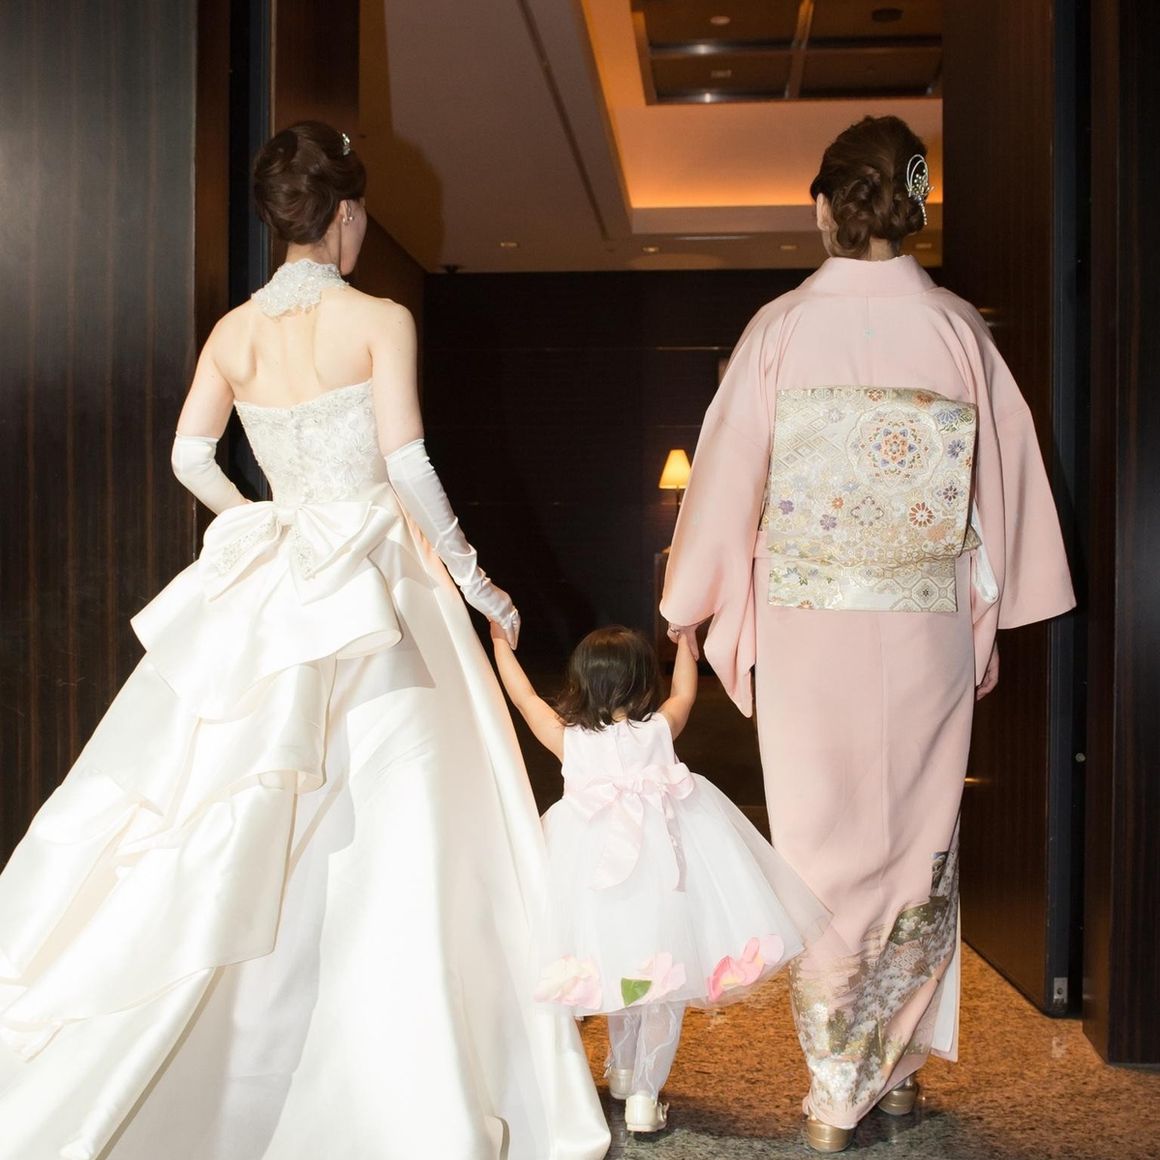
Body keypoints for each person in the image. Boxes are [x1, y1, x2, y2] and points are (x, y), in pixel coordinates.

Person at [0, 122, 609, 1160]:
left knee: (245, 805)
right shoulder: (379, 318)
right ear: (346, 213)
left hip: (285, 576)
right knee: (405, 817)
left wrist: (262, 520)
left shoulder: (234, 331)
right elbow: (406, 467)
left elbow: (190, 455)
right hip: (381, 578)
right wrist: (477, 583)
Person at [660, 115, 1075, 1153]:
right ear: (912, 206)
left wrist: (687, 605)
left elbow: (728, 478)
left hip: (811, 630)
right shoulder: (957, 330)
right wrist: (982, 606)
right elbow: (998, 497)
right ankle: (888, 1072)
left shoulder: (779, 329)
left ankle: (834, 1085)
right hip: (921, 623)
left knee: (822, 848)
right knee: (916, 844)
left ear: (822, 208)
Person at [489, 623, 827, 1136]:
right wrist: (686, 642)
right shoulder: (659, 730)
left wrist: (499, 642)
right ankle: (644, 1095)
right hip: (667, 875)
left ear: (581, 682)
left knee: (618, 966)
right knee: (662, 977)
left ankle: (623, 1072)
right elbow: (685, 692)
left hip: (591, 878)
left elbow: (524, 699)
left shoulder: (568, 738)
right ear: (644, 680)